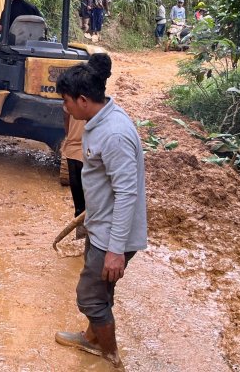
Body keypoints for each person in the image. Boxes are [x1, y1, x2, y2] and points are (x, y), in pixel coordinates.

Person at [54, 54, 147, 370]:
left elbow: (126, 194)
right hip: (102, 225)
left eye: (67, 101)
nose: (65, 107)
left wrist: (115, 251)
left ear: (83, 99)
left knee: (90, 295)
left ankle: (110, 357)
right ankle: (93, 338)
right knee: (101, 289)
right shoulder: (100, 119)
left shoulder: (115, 133)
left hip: (112, 234)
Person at [60, 111, 88, 240]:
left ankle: (81, 239)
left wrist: (69, 135)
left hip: (74, 152)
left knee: (80, 205)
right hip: (89, 153)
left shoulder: (71, 99)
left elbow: (66, 118)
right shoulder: (100, 101)